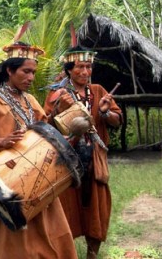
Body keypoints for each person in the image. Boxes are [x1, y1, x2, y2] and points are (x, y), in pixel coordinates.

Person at [0, 40, 78, 258]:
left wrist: (61, 129)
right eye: (26, 72)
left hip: (41, 179)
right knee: (13, 245)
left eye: (33, 72)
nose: (31, 77)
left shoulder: (31, 100)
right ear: (9, 70)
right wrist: (1, 142)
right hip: (8, 182)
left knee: (53, 239)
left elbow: (46, 133)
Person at [44, 45, 122, 259]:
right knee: (66, 208)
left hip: (94, 159)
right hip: (66, 159)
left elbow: (116, 120)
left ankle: (92, 254)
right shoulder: (57, 93)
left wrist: (105, 113)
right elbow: (45, 127)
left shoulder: (98, 91)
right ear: (69, 69)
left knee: (97, 208)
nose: (85, 72)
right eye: (80, 67)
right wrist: (59, 110)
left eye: (89, 67)